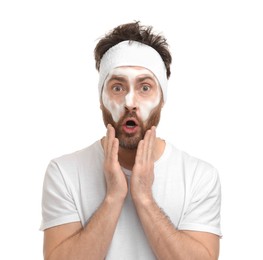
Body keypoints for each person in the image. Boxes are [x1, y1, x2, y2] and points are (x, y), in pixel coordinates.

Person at [40, 21, 222, 260]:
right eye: (117, 87)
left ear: (162, 99)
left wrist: (144, 198)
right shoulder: (63, 172)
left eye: (145, 87)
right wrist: (114, 196)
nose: (130, 102)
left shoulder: (199, 176)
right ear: (101, 99)